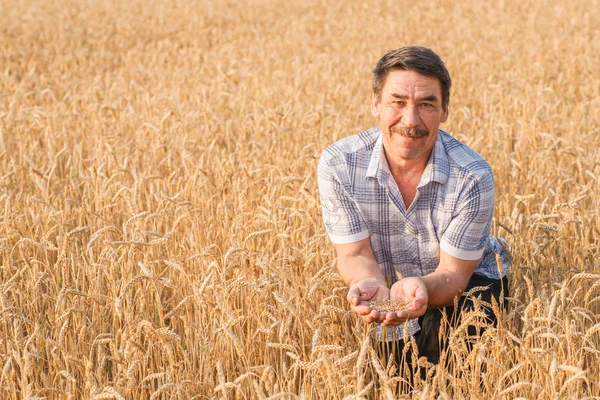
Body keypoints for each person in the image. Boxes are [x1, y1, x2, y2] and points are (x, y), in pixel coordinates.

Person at [317, 46, 509, 367]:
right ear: (376, 103)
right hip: (387, 282)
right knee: (387, 367)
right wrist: (371, 284)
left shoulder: (472, 176)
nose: (410, 120)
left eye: (426, 105)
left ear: (445, 111)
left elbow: (454, 275)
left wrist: (419, 287)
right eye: (397, 102)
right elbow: (355, 254)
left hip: (466, 281)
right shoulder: (339, 164)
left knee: (449, 353)